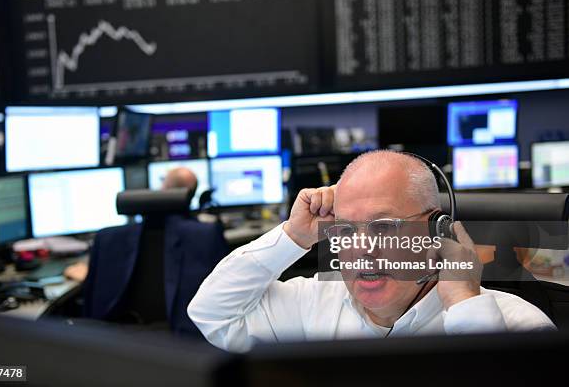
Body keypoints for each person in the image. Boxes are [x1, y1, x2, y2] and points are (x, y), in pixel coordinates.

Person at [188, 151, 555, 352]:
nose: (361, 250)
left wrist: (463, 302)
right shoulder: (314, 301)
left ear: (434, 231)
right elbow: (213, 315)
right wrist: (293, 236)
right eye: (346, 230)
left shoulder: (518, 327)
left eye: (384, 227)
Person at [82, 167, 228, 337]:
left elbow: (90, 298)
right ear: (190, 195)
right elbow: (223, 292)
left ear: (163, 189)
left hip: (115, 340)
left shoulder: (107, 237)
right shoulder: (207, 234)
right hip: (186, 343)